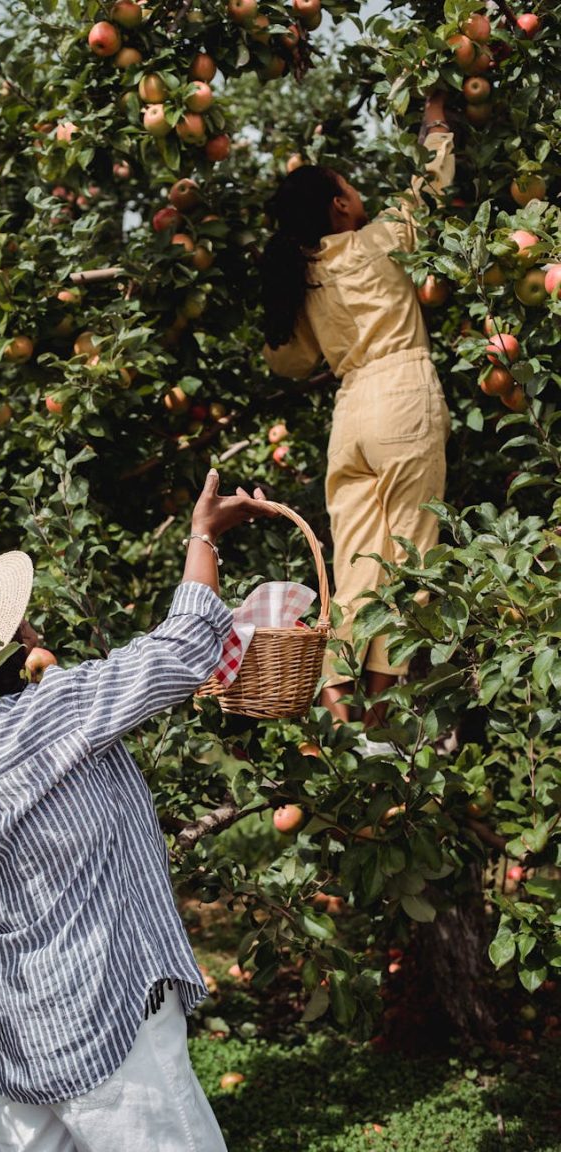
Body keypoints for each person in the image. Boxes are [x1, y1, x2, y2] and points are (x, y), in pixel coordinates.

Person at [0, 469, 274, 1152]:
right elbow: (182, 649)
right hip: (109, 1017)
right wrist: (202, 537)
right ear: (3, 644)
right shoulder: (57, 717)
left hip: (16, 1034)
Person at [260, 92, 454, 729]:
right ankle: (376, 724)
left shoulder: (306, 273)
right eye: (347, 185)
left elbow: (289, 361)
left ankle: (338, 712)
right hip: (402, 394)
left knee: (357, 568)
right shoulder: (378, 239)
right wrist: (434, 115)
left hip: (351, 416)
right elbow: (432, 180)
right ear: (340, 204)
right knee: (411, 554)